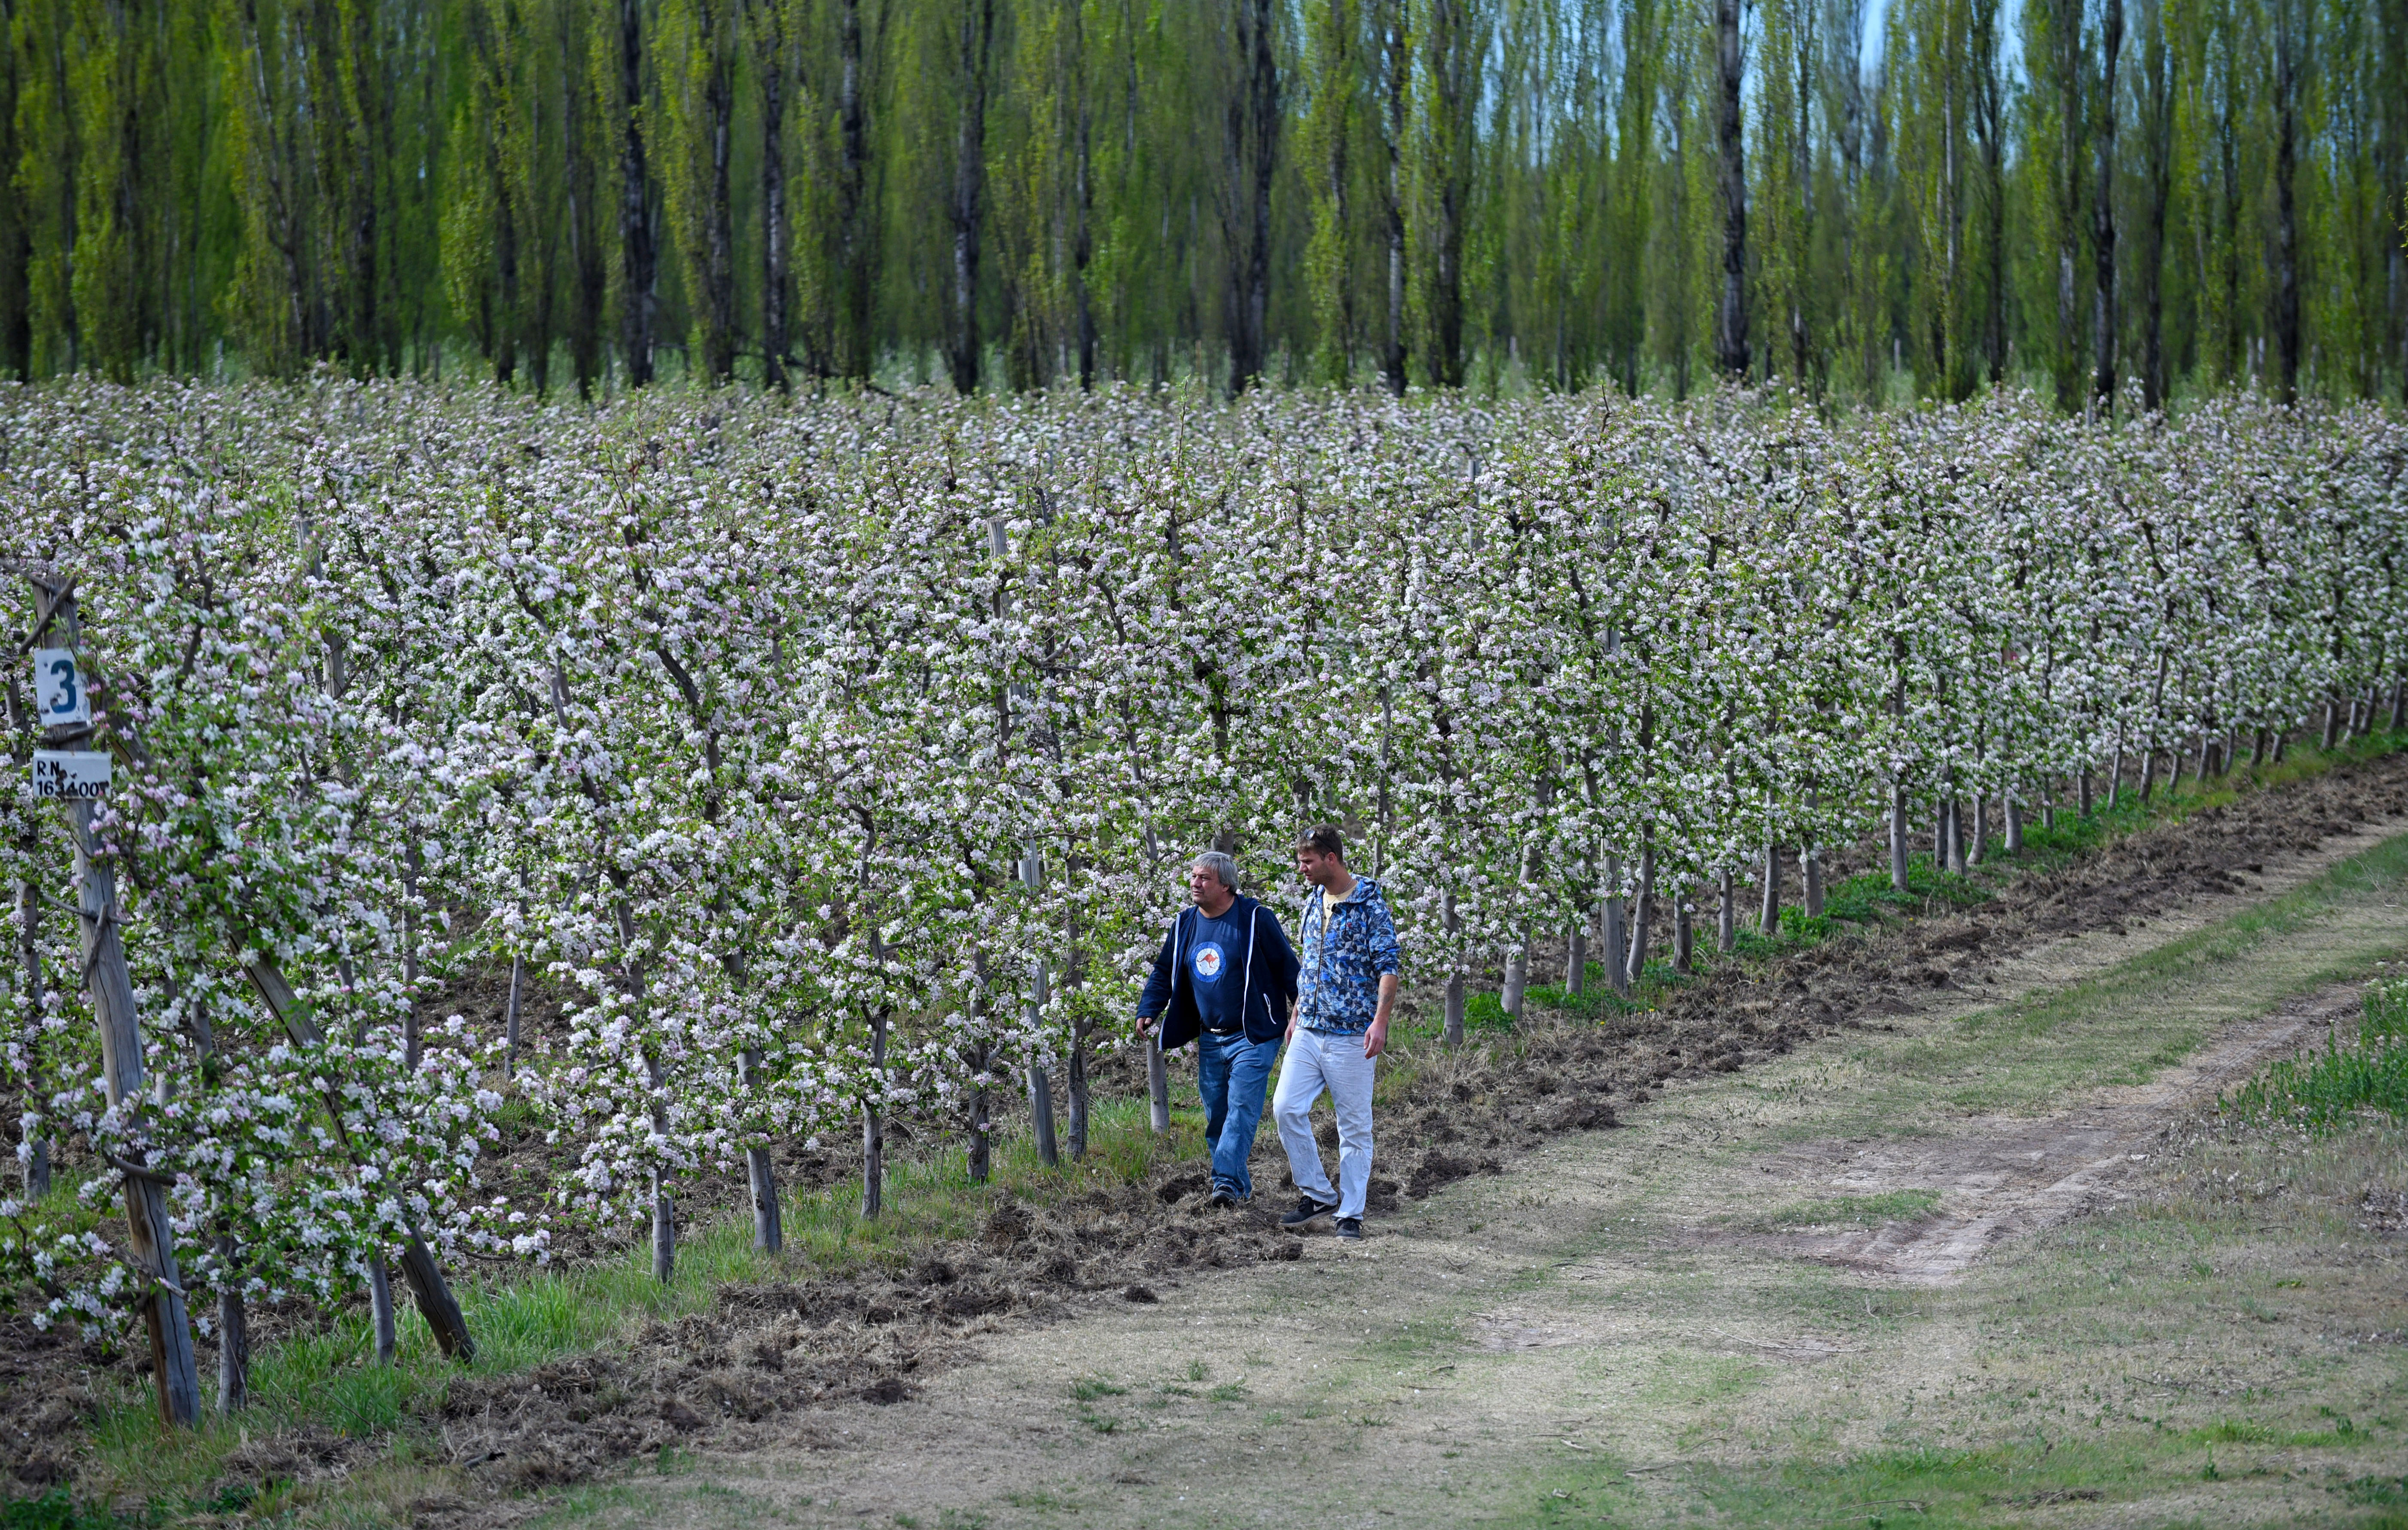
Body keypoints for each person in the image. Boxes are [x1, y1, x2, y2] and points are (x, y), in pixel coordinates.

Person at [1135, 851, 1299, 1207]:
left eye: (1204, 878)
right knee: (1218, 1118)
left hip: (1254, 1037)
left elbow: (1289, 968)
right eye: (1194, 877)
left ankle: (1223, 1182)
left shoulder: (1256, 919)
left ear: (1226, 884)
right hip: (1211, 1038)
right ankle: (1237, 1189)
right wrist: (1149, 1009)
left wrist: (1301, 1009)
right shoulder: (1184, 925)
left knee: (1241, 1110)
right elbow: (1164, 972)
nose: (1195, 884)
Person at [1272, 825, 1401, 1242]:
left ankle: (1350, 1213)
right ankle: (1317, 1192)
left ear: (1331, 858)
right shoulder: (1313, 900)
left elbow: (1387, 967)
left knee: (1353, 1126)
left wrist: (1379, 1022)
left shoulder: (1368, 903)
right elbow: (1310, 963)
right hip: (1308, 1028)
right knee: (1285, 1108)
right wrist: (1295, 1014)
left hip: (1351, 1035)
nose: (1301, 868)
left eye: (1307, 861)